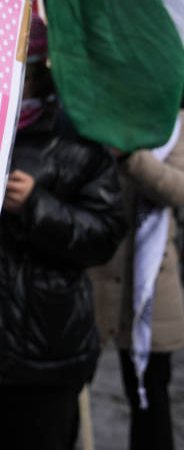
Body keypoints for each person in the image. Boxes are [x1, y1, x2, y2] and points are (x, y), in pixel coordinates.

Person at [0, 22, 126, 450]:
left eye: (19, 68)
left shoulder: (79, 138)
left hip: (47, 352)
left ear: (39, 72)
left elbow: (104, 235)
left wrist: (37, 206)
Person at [91, 111, 184, 450]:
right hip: (94, 279)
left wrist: (130, 156)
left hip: (152, 286)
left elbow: (178, 189)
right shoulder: (93, 113)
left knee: (151, 403)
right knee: (66, 397)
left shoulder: (174, 124)